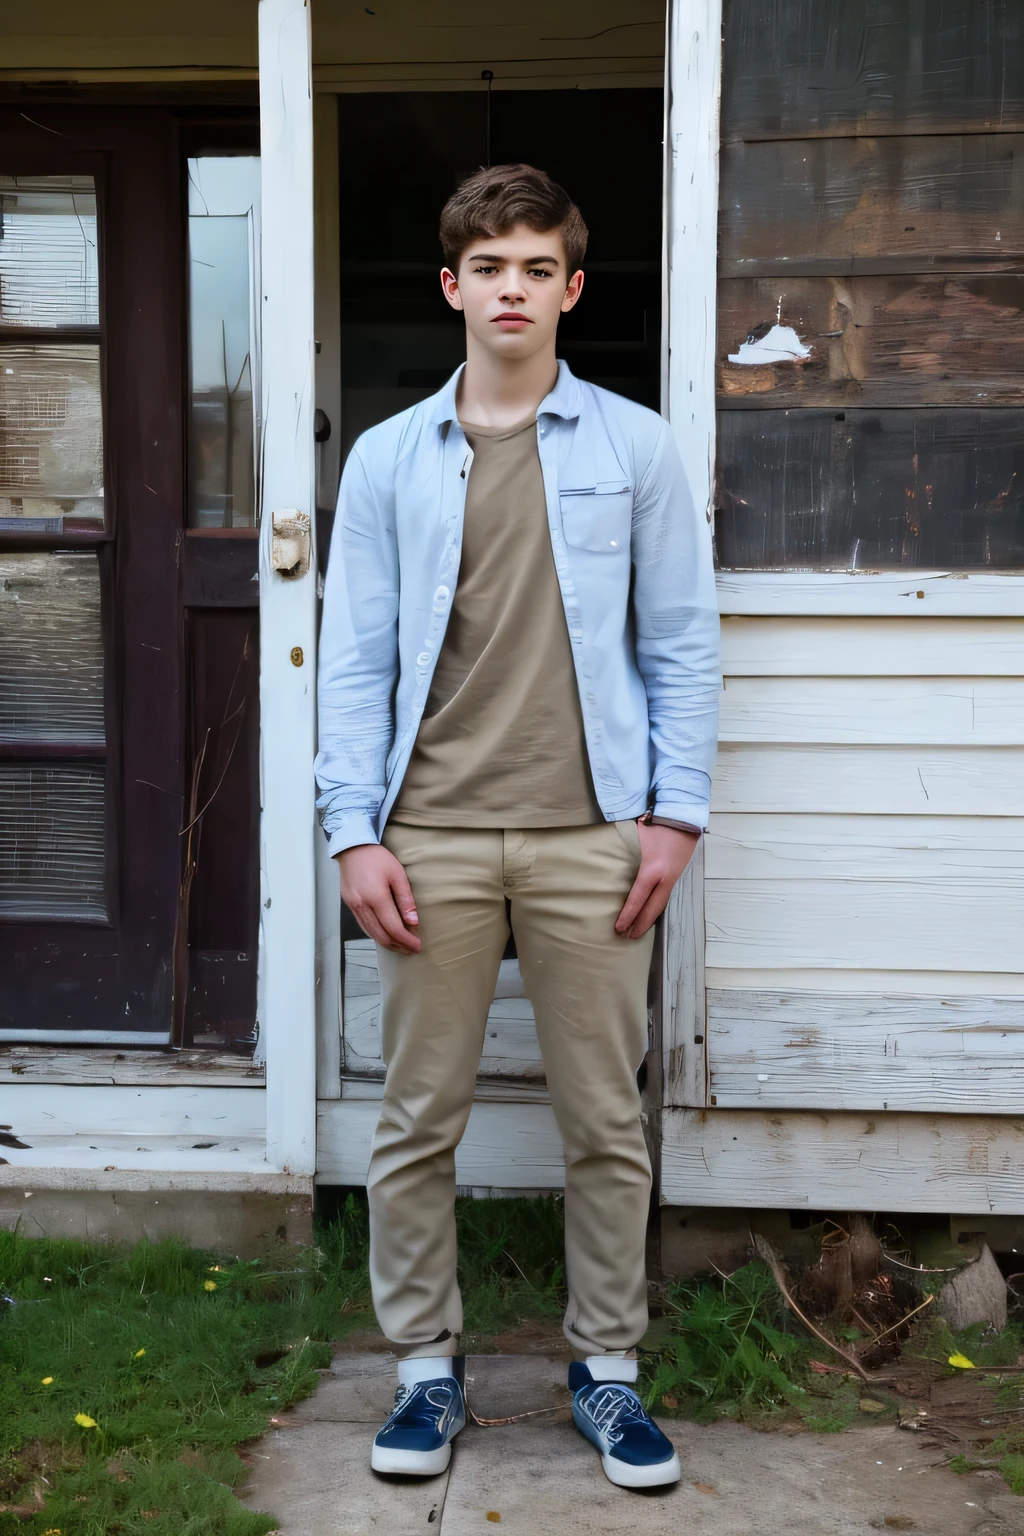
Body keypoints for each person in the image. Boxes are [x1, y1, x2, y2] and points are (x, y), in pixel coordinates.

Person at [315, 163, 719, 1489]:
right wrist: (351, 832)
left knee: (607, 1119)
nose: (512, 289)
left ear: (571, 289)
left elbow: (680, 642)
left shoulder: (634, 448)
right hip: (425, 832)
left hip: (590, 837)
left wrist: (674, 817)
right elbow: (356, 659)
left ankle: (608, 1372)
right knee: (416, 1119)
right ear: (453, 286)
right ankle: (426, 1373)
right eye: (490, 268)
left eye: (537, 268)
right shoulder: (387, 460)